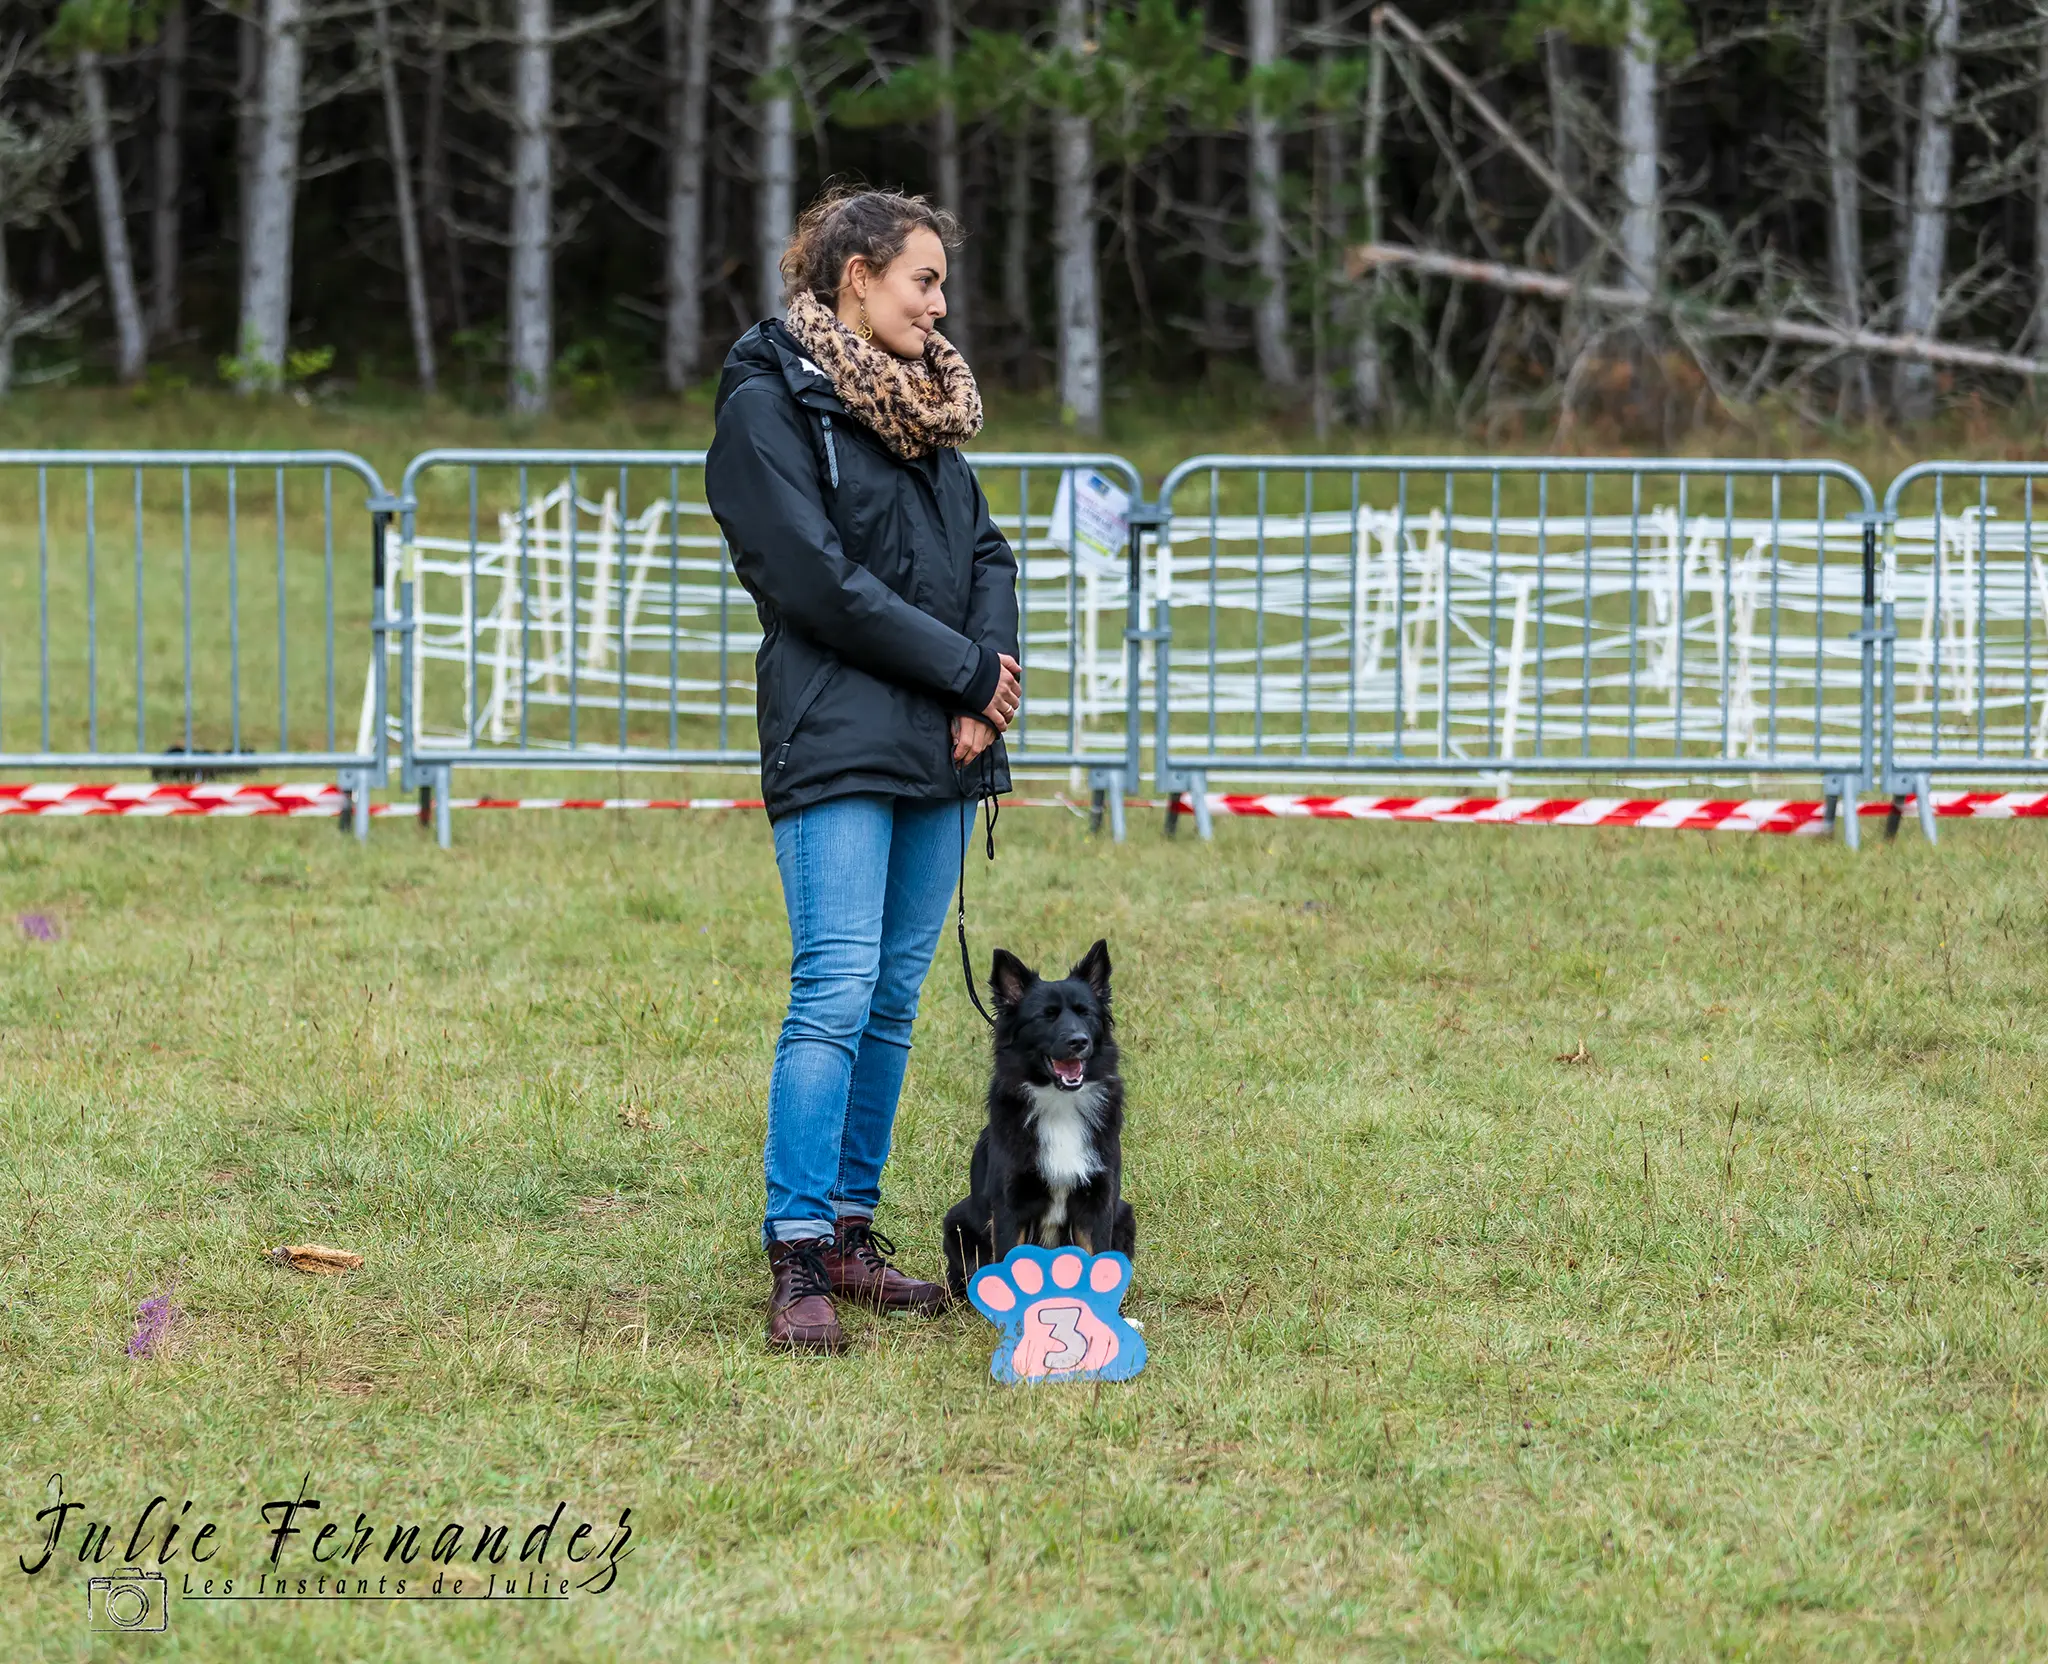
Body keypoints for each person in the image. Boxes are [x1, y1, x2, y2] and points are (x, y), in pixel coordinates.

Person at [705, 186, 1022, 1354]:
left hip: (939, 739)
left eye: (941, 284)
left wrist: (987, 683)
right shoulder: (766, 401)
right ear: (855, 278)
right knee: (832, 994)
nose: (939, 306)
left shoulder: (922, 404)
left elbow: (984, 548)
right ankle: (793, 1249)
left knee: (892, 1002)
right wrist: (960, 671)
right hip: (837, 732)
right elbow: (811, 578)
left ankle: (848, 1230)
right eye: (921, 281)